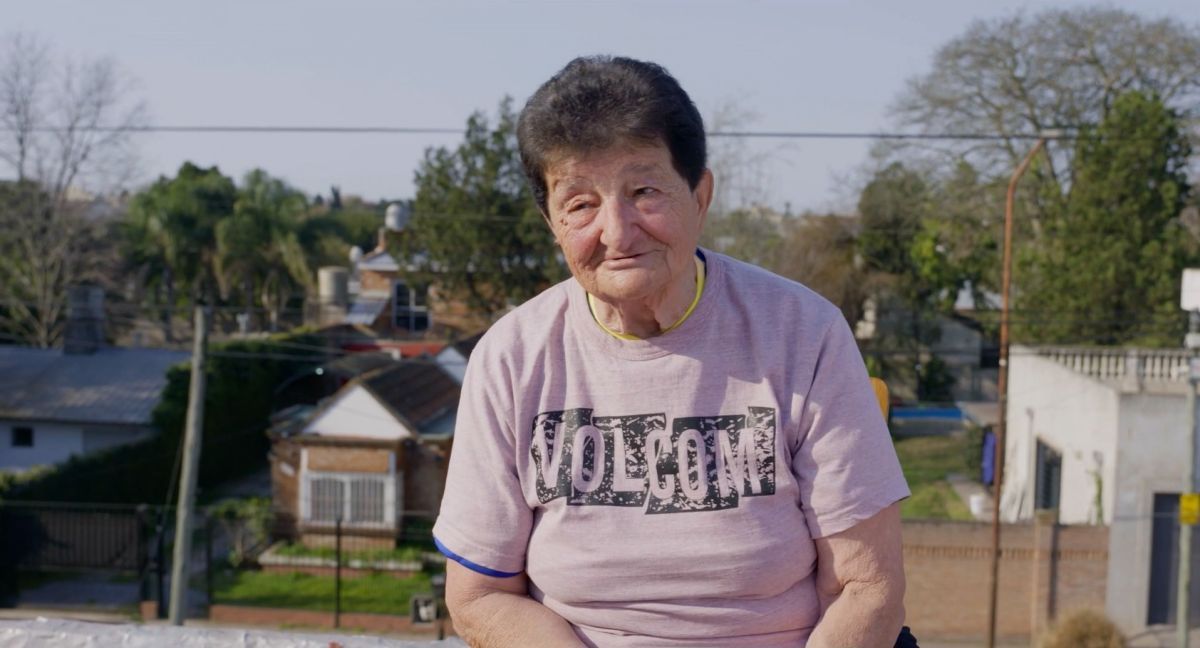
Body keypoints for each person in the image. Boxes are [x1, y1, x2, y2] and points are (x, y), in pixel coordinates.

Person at [432, 55, 911, 647]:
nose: (617, 231)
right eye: (580, 203)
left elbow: (866, 587)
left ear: (700, 195)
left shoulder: (804, 333)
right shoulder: (510, 359)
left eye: (645, 191)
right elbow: (479, 597)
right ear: (551, 221)